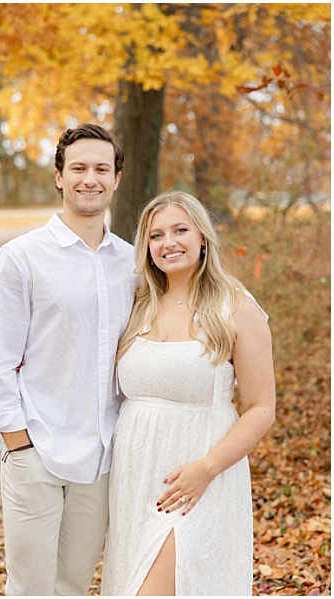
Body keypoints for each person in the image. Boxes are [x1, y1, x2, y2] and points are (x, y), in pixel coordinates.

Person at [0, 123, 138, 595]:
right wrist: (17, 444)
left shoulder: (130, 262)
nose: (91, 178)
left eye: (101, 169)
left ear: (116, 178)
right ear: (60, 177)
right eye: (79, 168)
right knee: (30, 588)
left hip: (103, 455)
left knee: (73, 584)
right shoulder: (21, 257)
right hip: (37, 450)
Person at [101, 191, 275, 595]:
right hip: (135, 475)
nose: (169, 243)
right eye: (156, 235)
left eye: (180, 230)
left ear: (203, 238)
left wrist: (208, 468)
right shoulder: (138, 303)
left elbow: (261, 408)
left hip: (198, 476)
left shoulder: (235, 307)